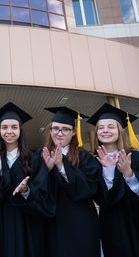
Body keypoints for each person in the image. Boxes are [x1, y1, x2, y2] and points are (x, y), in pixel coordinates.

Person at [0, 102, 54, 257]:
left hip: (28, 222)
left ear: (20, 130)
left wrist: (27, 191)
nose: (9, 131)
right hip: (2, 220)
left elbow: (43, 193)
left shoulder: (34, 159)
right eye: (4, 127)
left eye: (14, 127)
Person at [88, 103, 139, 257]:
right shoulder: (92, 164)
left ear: (120, 131)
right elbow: (101, 199)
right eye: (101, 128)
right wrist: (109, 172)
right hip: (113, 226)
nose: (105, 131)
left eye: (111, 126)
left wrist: (129, 175)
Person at [39, 107, 100, 257]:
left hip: (79, 221)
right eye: (55, 129)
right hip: (51, 222)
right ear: (50, 130)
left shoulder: (85, 157)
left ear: (73, 132)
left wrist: (61, 166)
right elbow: (36, 190)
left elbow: (90, 188)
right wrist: (45, 170)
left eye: (65, 129)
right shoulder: (40, 155)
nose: (59, 133)